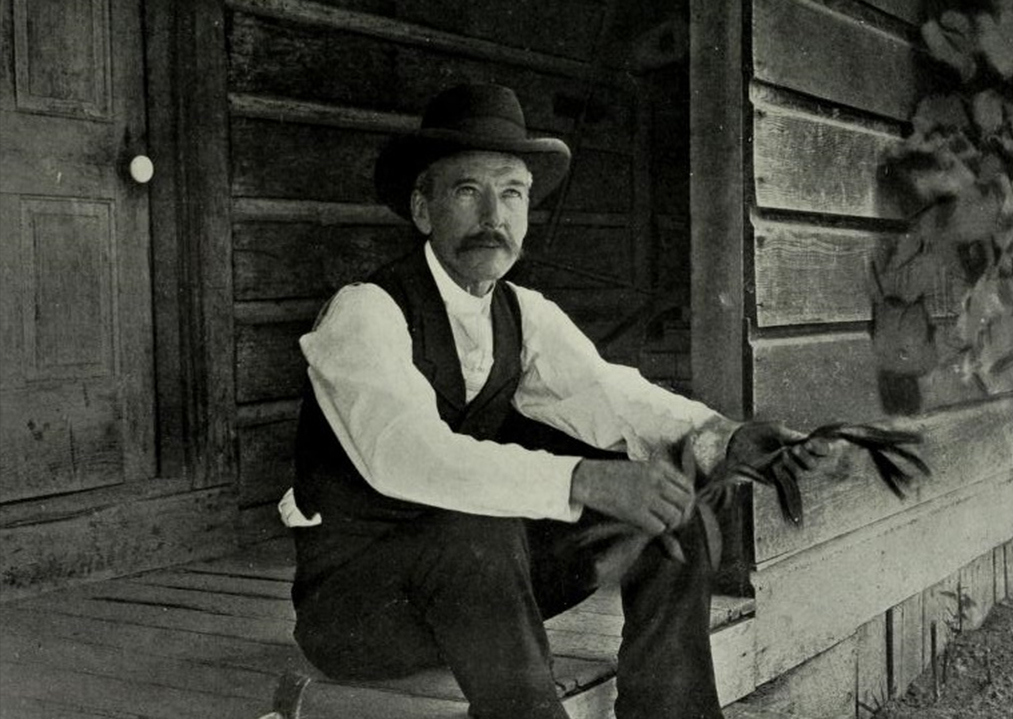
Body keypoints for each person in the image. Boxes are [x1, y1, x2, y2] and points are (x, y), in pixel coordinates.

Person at [277, 83, 810, 719]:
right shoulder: (365, 312)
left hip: (476, 596)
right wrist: (584, 479)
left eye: (512, 193)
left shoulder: (521, 313)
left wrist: (723, 436)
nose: (492, 218)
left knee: (673, 506)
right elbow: (408, 456)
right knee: (477, 530)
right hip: (361, 612)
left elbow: (609, 393)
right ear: (422, 209)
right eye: (467, 191)